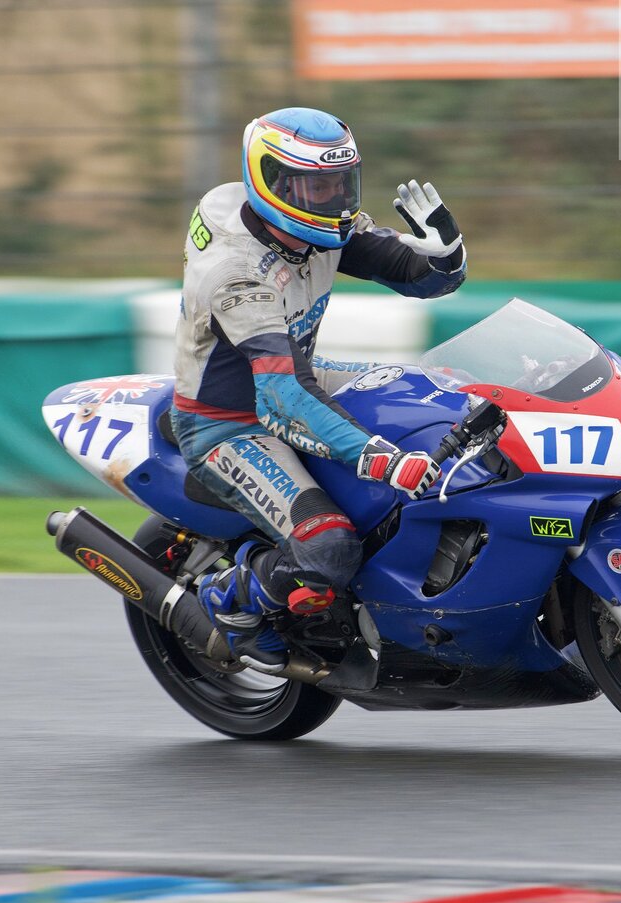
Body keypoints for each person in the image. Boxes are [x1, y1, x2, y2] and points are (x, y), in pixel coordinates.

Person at [170, 106, 467, 671]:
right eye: (316, 185)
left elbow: (414, 276)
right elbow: (281, 401)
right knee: (330, 545)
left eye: (341, 182)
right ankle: (230, 603)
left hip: (301, 369)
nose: (333, 198)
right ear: (273, 182)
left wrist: (446, 253)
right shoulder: (237, 271)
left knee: (434, 393)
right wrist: (383, 460)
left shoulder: (318, 224)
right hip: (228, 419)